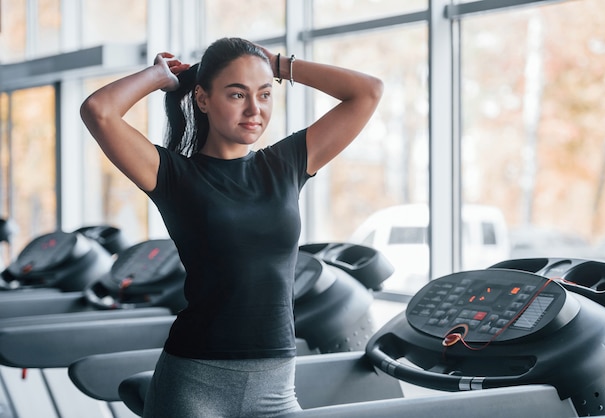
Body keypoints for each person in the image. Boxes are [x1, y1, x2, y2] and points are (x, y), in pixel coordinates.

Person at [80, 37, 383, 417]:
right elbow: (99, 110)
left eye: (265, 94)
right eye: (237, 95)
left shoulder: (285, 165)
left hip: (275, 388)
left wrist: (274, 64)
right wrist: (158, 75)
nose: (254, 109)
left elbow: (368, 92)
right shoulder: (172, 175)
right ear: (203, 100)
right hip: (193, 384)